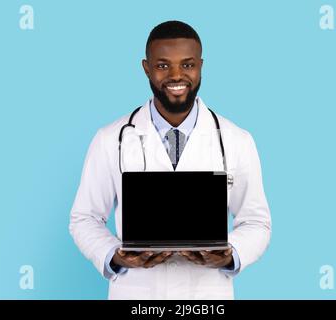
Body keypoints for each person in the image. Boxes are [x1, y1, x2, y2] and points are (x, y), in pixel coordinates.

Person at [69, 20, 271, 300]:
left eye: (187, 65)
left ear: (201, 65)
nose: (176, 75)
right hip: (137, 295)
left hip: (205, 297)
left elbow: (256, 221)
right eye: (163, 65)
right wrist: (114, 256)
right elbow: (84, 218)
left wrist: (230, 255)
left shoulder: (236, 140)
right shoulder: (110, 138)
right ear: (146, 68)